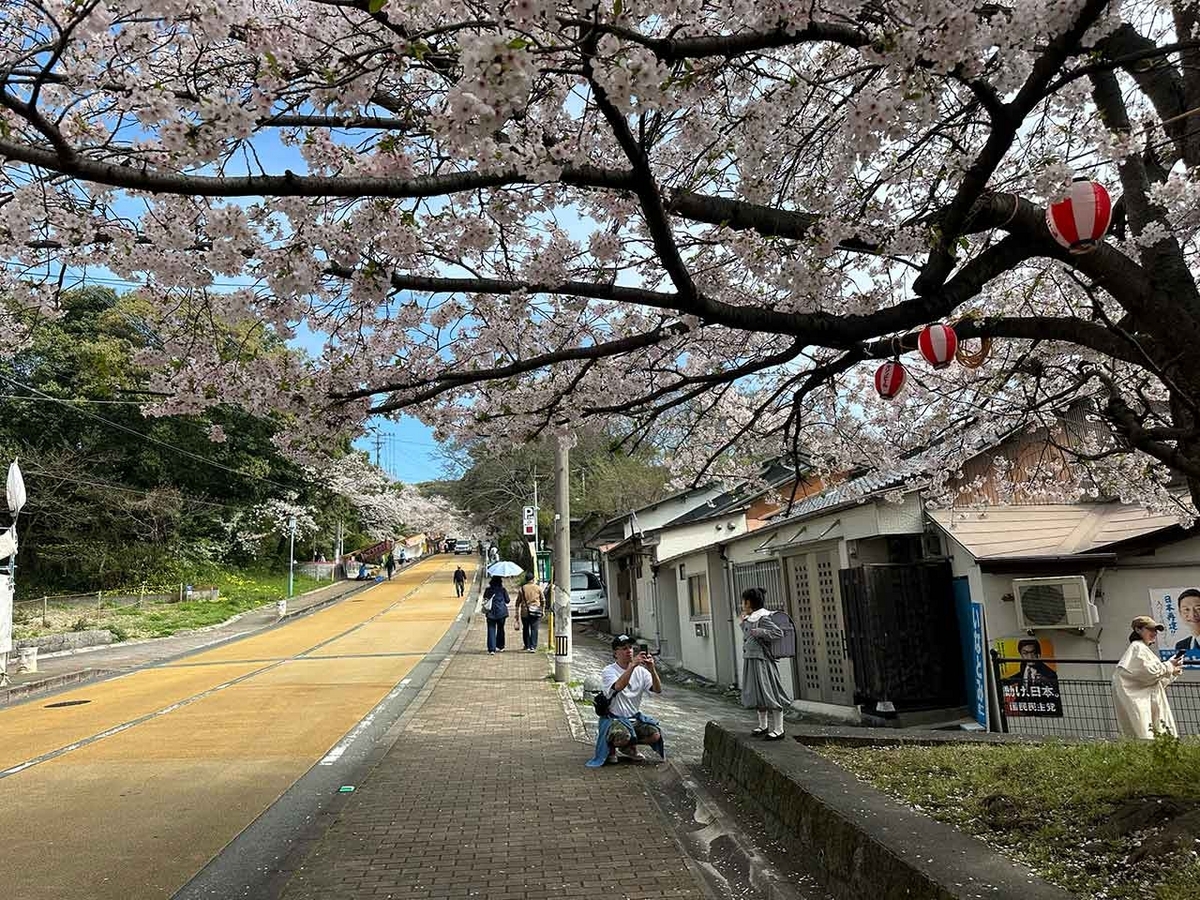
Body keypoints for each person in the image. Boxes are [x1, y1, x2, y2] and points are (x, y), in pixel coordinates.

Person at [587, 634, 665, 767]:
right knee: (622, 736)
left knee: (655, 735)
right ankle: (611, 747)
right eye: (624, 648)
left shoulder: (641, 671)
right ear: (615, 653)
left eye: (630, 647)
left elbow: (657, 690)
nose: (629, 651)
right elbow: (618, 686)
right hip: (614, 719)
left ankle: (628, 748)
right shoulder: (609, 671)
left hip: (634, 718)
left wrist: (652, 670)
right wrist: (632, 666)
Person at [1113, 615, 1183, 739]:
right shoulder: (1137, 648)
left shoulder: (1142, 649)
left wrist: (1172, 672)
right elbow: (1149, 672)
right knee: (1147, 734)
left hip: (1145, 700)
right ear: (1138, 630)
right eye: (1150, 629)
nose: (1154, 633)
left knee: (1151, 733)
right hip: (1139, 701)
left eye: (1155, 630)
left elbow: (1152, 680)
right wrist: (1169, 666)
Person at [739, 588, 791, 741]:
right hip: (751, 658)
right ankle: (763, 725)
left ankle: (779, 729)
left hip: (762, 660)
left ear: (749, 602)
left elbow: (777, 633)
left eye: (744, 601)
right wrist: (744, 623)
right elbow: (748, 634)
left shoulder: (763, 617)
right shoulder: (751, 617)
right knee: (756, 692)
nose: (743, 604)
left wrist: (759, 632)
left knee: (769, 692)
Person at [514, 574, 544, 652]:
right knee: (534, 628)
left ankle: (527, 645)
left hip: (525, 612)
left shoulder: (522, 589)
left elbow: (518, 602)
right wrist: (542, 609)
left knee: (526, 628)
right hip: (535, 611)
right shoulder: (538, 588)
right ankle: (533, 647)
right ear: (533, 579)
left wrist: (516, 613)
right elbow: (543, 600)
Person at [482, 575, 509, 655]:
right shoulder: (503, 590)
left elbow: (485, 599)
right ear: (500, 582)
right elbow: (507, 600)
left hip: (490, 613)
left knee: (491, 629)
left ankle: (492, 649)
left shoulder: (488, 590)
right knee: (501, 629)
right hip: (501, 613)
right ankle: (501, 646)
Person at [1176, 589, 1200, 653]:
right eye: (1186, 609)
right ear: (1180, 612)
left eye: (1198, 609)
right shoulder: (1180, 646)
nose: (1192, 615)